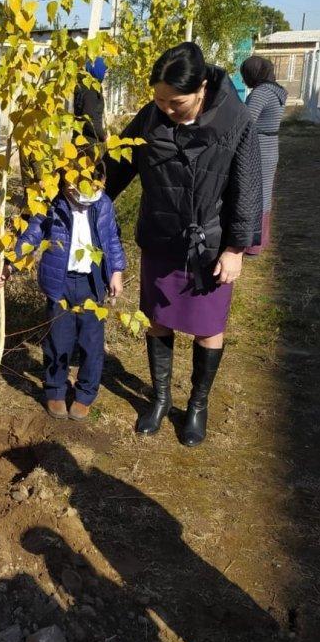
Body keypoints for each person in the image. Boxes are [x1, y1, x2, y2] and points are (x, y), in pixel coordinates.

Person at [105, 42, 262, 447]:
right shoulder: (150, 117)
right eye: (159, 99)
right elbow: (117, 165)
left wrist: (235, 248)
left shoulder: (235, 120)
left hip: (208, 245)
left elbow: (248, 189)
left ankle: (197, 405)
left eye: (176, 102)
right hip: (160, 235)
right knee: (157, 318)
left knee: (208, 327)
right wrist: (82, 198)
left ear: (203, 88)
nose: (166, 108)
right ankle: (159, 399)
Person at [0, 165, 126, 420]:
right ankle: (55, 390)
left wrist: (116, 272)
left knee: (92, 343)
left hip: (93, 282)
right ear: (67, 184)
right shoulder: (53, 204)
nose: (89, 193)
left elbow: (112, 239)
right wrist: (10, 263)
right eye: (81, 186)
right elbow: (33, 234)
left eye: (96, 185)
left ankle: (85, 393)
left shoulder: (104, 204)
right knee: (58, 340)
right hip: (60, 282)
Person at [240, 55, 286, 256]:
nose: (244, 79)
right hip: (270, 147)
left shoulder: (260, 93)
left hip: (258, 148)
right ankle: (259, 241)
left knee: (253, 194)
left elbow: (246, 121)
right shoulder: (276, 91)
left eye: (245, 74)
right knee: (264, 193)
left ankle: (252, 244)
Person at [72, 56, 108, 142]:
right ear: (97, 70)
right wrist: (103, 136)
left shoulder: (83, 86)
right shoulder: (90, 91)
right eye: (104, 71)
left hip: (79, 139)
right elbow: (89, 119)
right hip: (88, 143)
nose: (105, 74)